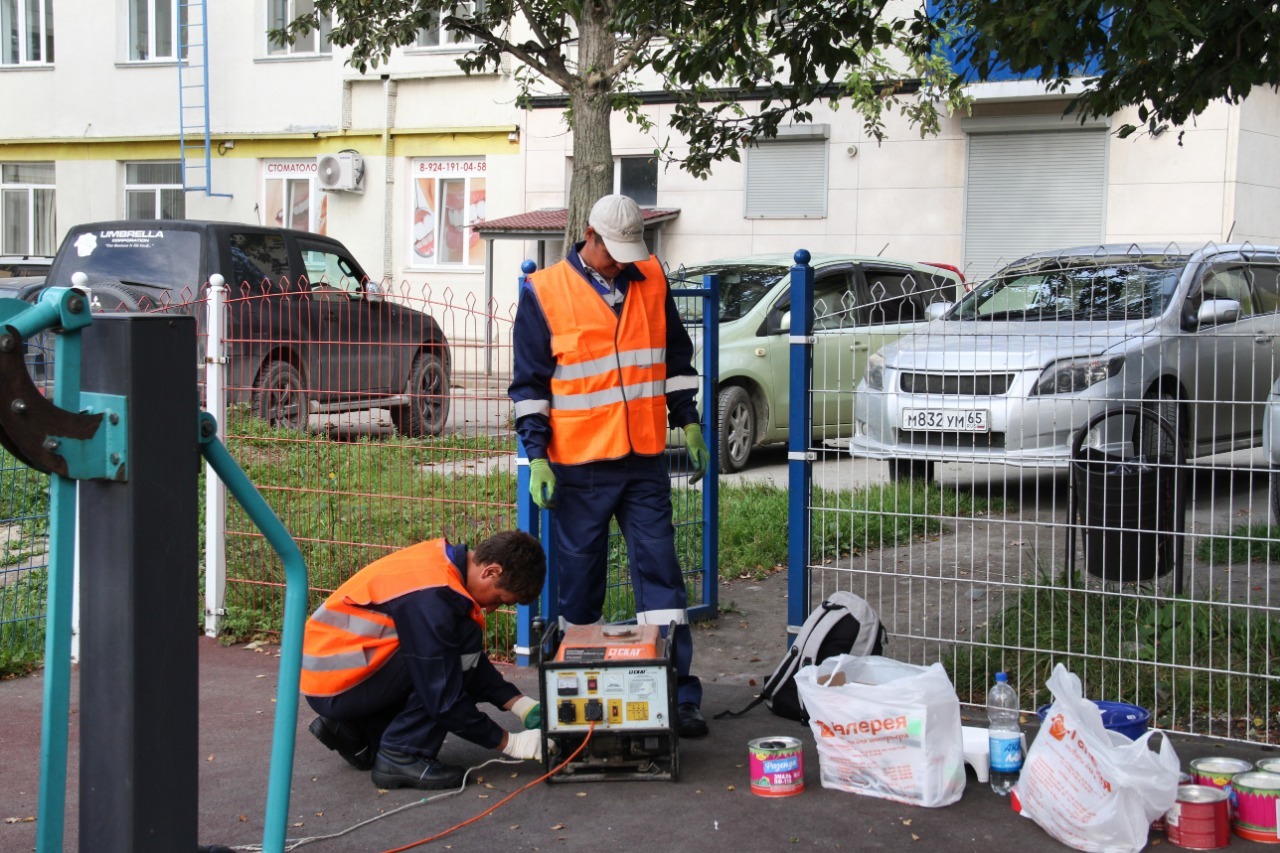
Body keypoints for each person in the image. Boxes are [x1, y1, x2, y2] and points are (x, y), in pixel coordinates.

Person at [508, 194, 711, 738]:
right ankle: (584, 692)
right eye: (612, 252)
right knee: (580, 587)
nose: (622, 263)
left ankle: (676, 694)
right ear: (589, 237)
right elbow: (529, 387)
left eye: (629, 252)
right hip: (579, 466)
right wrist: (536, 456)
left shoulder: (652, 281)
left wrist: (688, 420)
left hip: (643, 458)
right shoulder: (545, 291)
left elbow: (675, 361)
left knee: (662, 578)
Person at [301, 530, 547, 790]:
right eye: (498, 599)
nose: (491, 608)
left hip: (336, 673)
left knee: (454, 645)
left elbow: (466, 660)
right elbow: (443, 695)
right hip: (337, 683)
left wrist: (520, 704)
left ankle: (358, 729)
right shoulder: (434, 598)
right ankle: (401, 754)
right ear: (490, 572)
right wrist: (511, 743)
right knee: (445, 667)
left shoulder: (442, 566)